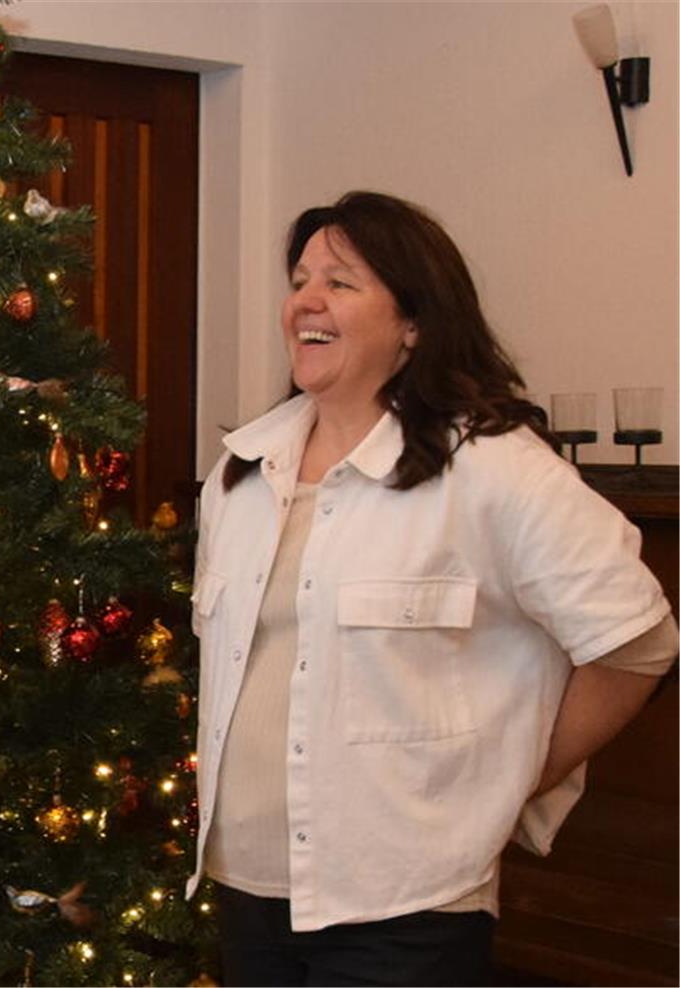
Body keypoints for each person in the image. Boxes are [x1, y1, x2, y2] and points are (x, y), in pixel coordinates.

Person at [188, 190, 676, 985]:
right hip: (248, 893)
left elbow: (638, 642)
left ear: (413, 324)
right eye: (301, 278)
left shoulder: (491, 468)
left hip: (403, 907)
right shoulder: (242, 473)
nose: (306, 301)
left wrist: (518, 776)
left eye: (341, 282)